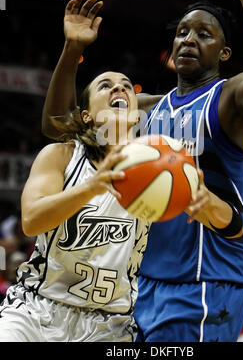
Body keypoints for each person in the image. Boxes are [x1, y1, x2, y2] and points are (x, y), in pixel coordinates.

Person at [41, 0, 243, 342]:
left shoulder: (229, 96)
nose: (189, 39)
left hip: (211, 273)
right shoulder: (147, 107)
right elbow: (59, 124)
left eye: (204, 34)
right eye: (182, 32)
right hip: (151, 277)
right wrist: (72, 51)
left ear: (223, 53)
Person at [0, 68, 150, 342]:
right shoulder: (61, 156)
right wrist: (91, 187)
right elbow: (31, 221)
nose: (119, 89)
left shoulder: (155, 171)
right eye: (105, 85)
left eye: (126, 86)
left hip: (110, 325)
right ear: (87, 115)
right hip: (36, 310)